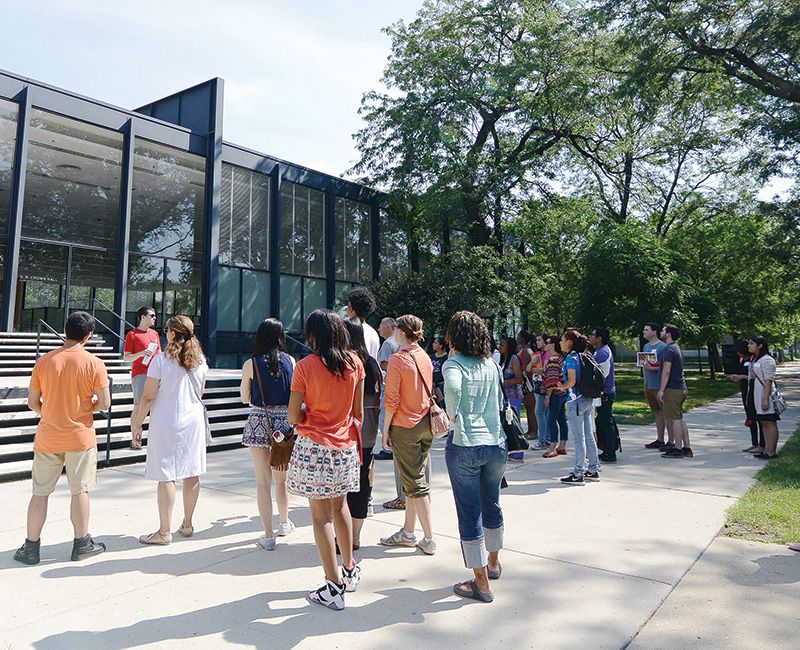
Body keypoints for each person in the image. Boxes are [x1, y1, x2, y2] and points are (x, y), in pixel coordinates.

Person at [14, 311, 110, 565]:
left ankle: (31, 548)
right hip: (80, 437)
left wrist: (52, 410)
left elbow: (32, 402)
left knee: (40, 493)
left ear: (65, 331)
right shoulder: (94, 363)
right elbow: (105, 402)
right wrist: (87, 406)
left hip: (48, 436)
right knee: (80, 491)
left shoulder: (44, 361)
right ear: (88, 336)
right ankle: (81, 544)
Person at [287, 309, 364, 611]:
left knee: (320, 518)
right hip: (345, 446)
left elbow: (294, 415)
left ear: (313, 336)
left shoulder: (305, 366)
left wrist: (311, 414)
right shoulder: (355, 363)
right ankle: (349, 568)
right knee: (341, 506)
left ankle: (333, 586)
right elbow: (357, 413)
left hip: (314, 447)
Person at [443, 311, 506, 603]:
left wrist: (453, 415)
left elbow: (453, 389)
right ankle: (493, 562)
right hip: (496, 442)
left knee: (469, 513)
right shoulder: (492, 365)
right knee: (491, 503)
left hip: (466, 443)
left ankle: (480, 582)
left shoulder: (453, 364)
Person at [131, 315, 209, 545]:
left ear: (173, 333)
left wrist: (137, 422)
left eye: (166, 329)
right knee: (191, 471)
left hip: (165, 419)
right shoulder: (201, 361)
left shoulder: (161, 361)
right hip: (193, 420)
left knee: (166, 475)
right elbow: (200, 393)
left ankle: (164, 531)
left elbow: (147, 397)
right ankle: (187, 524)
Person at [379, 314, 437, 555]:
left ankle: (429, 538)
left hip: (405, 425)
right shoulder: (424, 356)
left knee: (416, 484)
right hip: (425, 422)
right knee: (413, 481)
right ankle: (408, 531)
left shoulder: (398, 359)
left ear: (401, 332)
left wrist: (386, 431)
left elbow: (392, 400)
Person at [239, 319, 295, 551]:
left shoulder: (250, 364)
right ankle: (284, 523)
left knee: (263, 483)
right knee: (282, 481)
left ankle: (268, 535)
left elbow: (244, 398)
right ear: (281, 336)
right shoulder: (291, 361)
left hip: (259, 422)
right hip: (285, 424)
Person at [343, 317, 382, 549]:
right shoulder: (372, 364)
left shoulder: (346, 363)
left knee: (346, 485)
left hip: (347, 430)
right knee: (362, 480)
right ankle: (355, 536)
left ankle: (346, 536)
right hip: (368, 432)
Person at [558, 329, 600, 484]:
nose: (560, 342)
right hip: (587, 399)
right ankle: (593, 469)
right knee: (588, 436)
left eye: (562, 339)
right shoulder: (584, 356)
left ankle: (578, 473)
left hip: (575, 401)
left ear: (570, 342)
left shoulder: (570, 358)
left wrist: (562, 386)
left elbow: (572, 381)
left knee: (579, 438)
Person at [123, 306, 161, 449]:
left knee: (156, 406)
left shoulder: (155, 334)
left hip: (155, 374)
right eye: (151, 315)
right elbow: (126, 358)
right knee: (139, 406)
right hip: (140, 374)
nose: (154, 318)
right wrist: (141, 354)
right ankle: (136, 438)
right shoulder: (132, 334)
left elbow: (159, 354)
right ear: (142, 317)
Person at [657, 324, 693, 458]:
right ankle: (686, 447)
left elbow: (666, 371)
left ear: (668, 334)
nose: (661, 332)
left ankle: (678, 449)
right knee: (679, 417)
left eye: (663, 330)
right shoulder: (676, 347)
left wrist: (661, 390)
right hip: (681, 388)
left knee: (674, 419)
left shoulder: (669, 349)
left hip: (672, 389)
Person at [728, 339, 764, 454]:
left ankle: (763, 443)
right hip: (745, 391)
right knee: (750, 417)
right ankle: (754, 443)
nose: (738, 354)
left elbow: (757, 377)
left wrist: (742, 377)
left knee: (759, 418)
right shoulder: (743, 359)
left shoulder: (754, 359)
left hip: (755, 390)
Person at [747, 335, 780, 459]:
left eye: (751, 343)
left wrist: (765, 399)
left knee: (770, 422)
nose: (749, 346)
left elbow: (768, 381)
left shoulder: (767, 360)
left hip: (766, 396)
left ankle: (771, 451)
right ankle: (766, 449)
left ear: (760, 345)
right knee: (764, 422)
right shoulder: (757, 359)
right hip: (757, 395)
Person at [590, 326, 618, 463]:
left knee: (605, 422)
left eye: (593, 334)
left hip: (605, 393)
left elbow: (600, 376)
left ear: (599, 338)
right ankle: (607, 449)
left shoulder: (602, 354)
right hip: (604, 392)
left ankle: (610, 452)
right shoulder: (600, 351)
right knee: (602, 421)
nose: (590, 337)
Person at [375, 317, 400, 464]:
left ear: (389, 327)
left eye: (381, 326)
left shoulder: (388, 343)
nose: (379, 329)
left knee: (384, 417)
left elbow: (384, 364)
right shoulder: (400, 343)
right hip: (398, 386)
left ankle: (388, 448)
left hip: (388, 385)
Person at [641, 323, 670, 451]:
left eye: (646, 330)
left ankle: (671, 441)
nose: (644, 332)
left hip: (659, 386)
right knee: (657, 413)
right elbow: (643, 362)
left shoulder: (663, 347)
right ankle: (660, 439)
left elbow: (665, 367)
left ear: (654, 332)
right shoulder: (646, 346)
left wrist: (652, 367)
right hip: (648, 385)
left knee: (665, 413)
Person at [541, 336, 568, 458]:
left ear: (552, 345)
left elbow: (552, 380)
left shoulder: (552, 359)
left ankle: (552, 446)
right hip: (562, 393)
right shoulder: (560, 358)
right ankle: (562, 445)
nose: (545, 344)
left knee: (551, 420)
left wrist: (547, 397)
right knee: (562, 419)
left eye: (547, 343)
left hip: (555, 394)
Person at [499, 337, 524, 461]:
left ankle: (518, 453)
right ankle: (512, 450)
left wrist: (503, 382)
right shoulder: (503, 360)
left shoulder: (514, 359)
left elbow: (519, 379)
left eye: (502, 344)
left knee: (514, 423)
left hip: (514, 396)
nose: (500, 346)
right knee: (508, 423)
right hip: (505, 397)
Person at [528, 332, 550, 450]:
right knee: (543, 413)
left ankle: (543, 440)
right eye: (536, 340)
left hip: (544, 387)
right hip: (537, 387)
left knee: (539, 413)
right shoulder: (537, 355)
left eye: (539, 340)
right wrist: (533, 363)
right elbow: (528, 369)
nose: (537, 342)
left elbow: (545, 370)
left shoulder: (547, 355)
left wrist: (536, 369)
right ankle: (546, 438)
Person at [346, 287, 379, 361]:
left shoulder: (348, 329)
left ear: (351, 309)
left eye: (348, 306)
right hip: (370, 371)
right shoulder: (373, 332)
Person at [516, 330, 537, 440]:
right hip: (525, 382)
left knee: (531, 407)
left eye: (519, 335)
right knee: (528, 407)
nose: (517, 337)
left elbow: (528, 369)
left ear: (523, 338)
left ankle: (534, 431)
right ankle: (530, 429)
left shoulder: (527, 351)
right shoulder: (523, 350)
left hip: (527, 382)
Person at [430, 335, 449, 407]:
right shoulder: (432, 356)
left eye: (435, 343)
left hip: (441, 385)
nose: (433, 344)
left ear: (441, 345)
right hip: (432, 384)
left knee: (441, 405)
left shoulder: (446, 357)